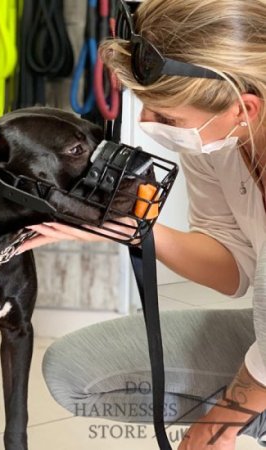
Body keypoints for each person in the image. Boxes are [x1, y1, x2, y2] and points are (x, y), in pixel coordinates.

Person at [16, 0, 266, 448]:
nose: (148, 125)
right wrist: (127, 225)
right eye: (146, 108)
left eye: (167, 118)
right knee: (76, 371)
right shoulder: (218, 140)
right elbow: (235, 269)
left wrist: (217, 426)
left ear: (244, 109)